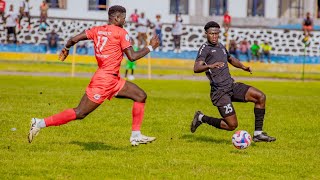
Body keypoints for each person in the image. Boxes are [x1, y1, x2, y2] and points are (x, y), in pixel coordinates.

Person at [28, 5, 160, 146]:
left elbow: (73, 39)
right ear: (116, 18)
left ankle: (136, 135)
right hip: (104, 81)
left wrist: (66, 49)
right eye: (123, 18)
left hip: (113, 79)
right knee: (80, 113)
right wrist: (150, 47)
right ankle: (39, 123)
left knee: (140, 96)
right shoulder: (121, 32)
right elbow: (132, 57)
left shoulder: (97, 30)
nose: (125, 21)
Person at [190, 21, 276, 143]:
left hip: (231, 86)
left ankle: (258, 134)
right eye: (211, 34)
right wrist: (211, 65)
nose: (214, 36)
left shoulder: (220, 46)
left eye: (216, 34)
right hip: (219, 92)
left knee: (260, 97)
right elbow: (196, 68)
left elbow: (230, 58)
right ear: (206, 34)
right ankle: (201, 118)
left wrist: (243, 67)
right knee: (231, 125)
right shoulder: (205, 49)